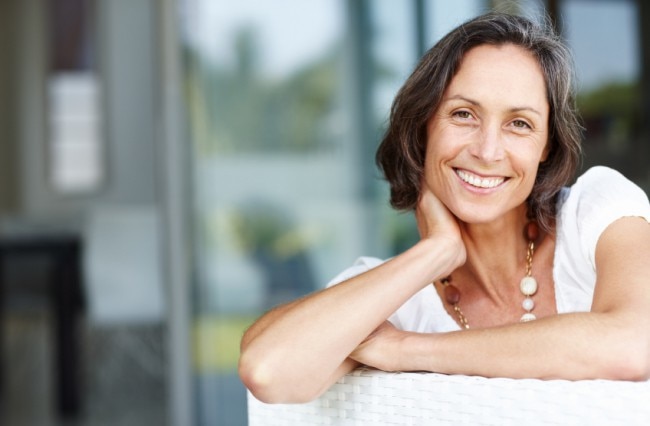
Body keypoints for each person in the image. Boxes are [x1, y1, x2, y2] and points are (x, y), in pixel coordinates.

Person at [238, 12, 650, 404]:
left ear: (546, 145)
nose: (488, 151)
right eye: (463, 114)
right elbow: (269, 371)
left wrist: (407, 350)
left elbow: (632, 345)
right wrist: (436, 252)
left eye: (519, 124)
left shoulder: (597, 213)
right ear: (423, 128)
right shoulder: (393, 296)